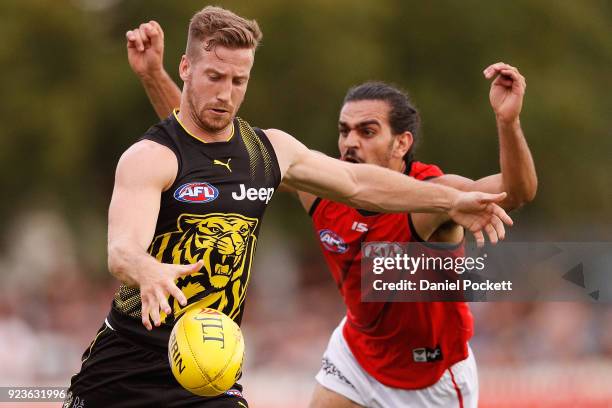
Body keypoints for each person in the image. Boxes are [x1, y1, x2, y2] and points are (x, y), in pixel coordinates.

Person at [64, 7, 513, 408]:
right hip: (126, 362)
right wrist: (146, 270)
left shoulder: (268, 151)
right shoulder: (150, 157)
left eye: (238, 81)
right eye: (214, 77)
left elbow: (357, 183)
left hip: (211, 367)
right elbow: (121, 249)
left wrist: (452, 199)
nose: (225, 93)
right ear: (185, 68)